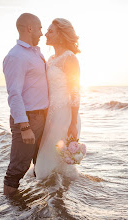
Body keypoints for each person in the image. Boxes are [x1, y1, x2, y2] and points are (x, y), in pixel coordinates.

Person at [2, 13, 49, 195]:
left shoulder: (35, 53)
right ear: (30, 28)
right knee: (18, 167)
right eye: (40, 28)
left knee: (43, 162)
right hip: (28, 119)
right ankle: (10, 208)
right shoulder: (16, 56)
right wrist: (24, 126)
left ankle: (43, 206)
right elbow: (14, 93)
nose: (42, 33)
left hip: (42, 117)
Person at [34, 18, 81, 180]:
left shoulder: (70, 58)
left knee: (54, 159)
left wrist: (73, 123)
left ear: (61, 34)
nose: (46, 34)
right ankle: (52, 194)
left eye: (50, 31)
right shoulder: (51, 59)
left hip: (64, 115)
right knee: (46, 159)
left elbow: (75, 91)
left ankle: (59, 196)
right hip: (50, 115)